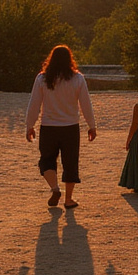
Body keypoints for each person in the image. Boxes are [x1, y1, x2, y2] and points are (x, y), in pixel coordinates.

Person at [26, 45, 97, 209]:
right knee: (70, 163)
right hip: (70, 127)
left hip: (48, 126)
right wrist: (91, 126)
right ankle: (68, 199)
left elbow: (34, 105)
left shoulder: (42, 79)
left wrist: (30, 126)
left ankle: (55, 189)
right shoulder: (77, 79)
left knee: (47, 160)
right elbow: (86, 105)